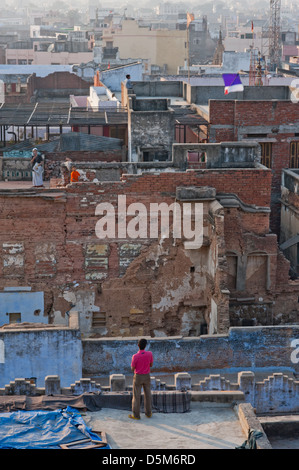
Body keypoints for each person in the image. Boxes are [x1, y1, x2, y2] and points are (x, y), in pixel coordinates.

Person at [129, 338, 153, 420]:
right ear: (145, 346)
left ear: (138, 345)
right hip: (147, 376)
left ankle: (136, 415)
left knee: (136, 396)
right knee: (148, 394)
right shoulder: (150, 354)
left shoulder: (135, 356)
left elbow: (132, 368)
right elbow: (151, 364)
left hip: (138, 376)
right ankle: (148, 413)